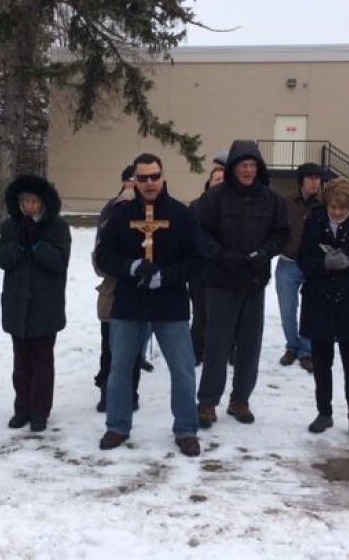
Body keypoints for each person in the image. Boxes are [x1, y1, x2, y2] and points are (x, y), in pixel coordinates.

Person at [95, 153, 206, 457]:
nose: (149, 183)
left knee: (182, 369)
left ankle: (186, 429)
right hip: (129, 303)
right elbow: (103, 255)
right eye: (142, 178)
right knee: (119, 368)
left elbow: (198, 260)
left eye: (154, 176)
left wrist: (165, 276)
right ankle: (117, 425)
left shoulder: (181, 215)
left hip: (170, 304)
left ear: (163, 177)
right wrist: (131, 267)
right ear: (134, 180)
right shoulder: (120, 215)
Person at [197, 140, 289, 428]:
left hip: (254, 280)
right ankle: (208, 402)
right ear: (233, 167)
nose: (248, 170)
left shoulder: (272, 200)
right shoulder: (214, 199)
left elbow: (281, 234)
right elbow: (202, 234)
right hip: (221, 280)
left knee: (250, 345)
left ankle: (240, 400)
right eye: (243, 165)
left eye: (252, 165)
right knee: (217, 345)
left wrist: (264, 253)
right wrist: (223, 256)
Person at [298, 178, 349, 443]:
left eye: (343, 209)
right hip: (320, 299)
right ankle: (324, 412)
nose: (337, 213)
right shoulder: (314, 221)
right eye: (334, 207)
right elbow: (303, 258)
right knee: (322, 362)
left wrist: (348, 264)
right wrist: (323, 264)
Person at [0, 174, 71, 432]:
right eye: (24, 201)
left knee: (42, 362)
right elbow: (2, 258)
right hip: (17, 305)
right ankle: (22, 408)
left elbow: (60, 261)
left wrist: (37, 246)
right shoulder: (10, 226)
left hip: (45, 305)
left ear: (42, 202)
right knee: (21, 362)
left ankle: (40, 411)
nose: (28, 206)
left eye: (33, 201)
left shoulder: (58, 226)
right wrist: (19, 246)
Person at [93, 165, 146, 412]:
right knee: (110, 347)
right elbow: (100, 254)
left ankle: (130, 393)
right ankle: (107, 392)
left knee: (134, 349)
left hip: (140, 291)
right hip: (114, 289)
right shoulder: (111, 209)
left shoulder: (151, 209)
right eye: (133, 180)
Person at [276, 162, 325, 373]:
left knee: (311, 309)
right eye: (310, 178)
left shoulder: (325, 204)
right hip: (288, 263)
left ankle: (306, 351)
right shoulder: (285, 202)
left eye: (318, 178)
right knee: (287, 309)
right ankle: (292, 346)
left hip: (314, 266)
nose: (315, 182)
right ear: (301, 181)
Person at [188, 154, 226, 365]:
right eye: (216, 179)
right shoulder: (195, 206)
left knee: (224, 315)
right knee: (200, 312)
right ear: (209, 183)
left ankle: (227, 350)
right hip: (200, 269)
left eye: (223, 180)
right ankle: (197, 350)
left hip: (224, 269)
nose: (219, 183)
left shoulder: (232, 208)